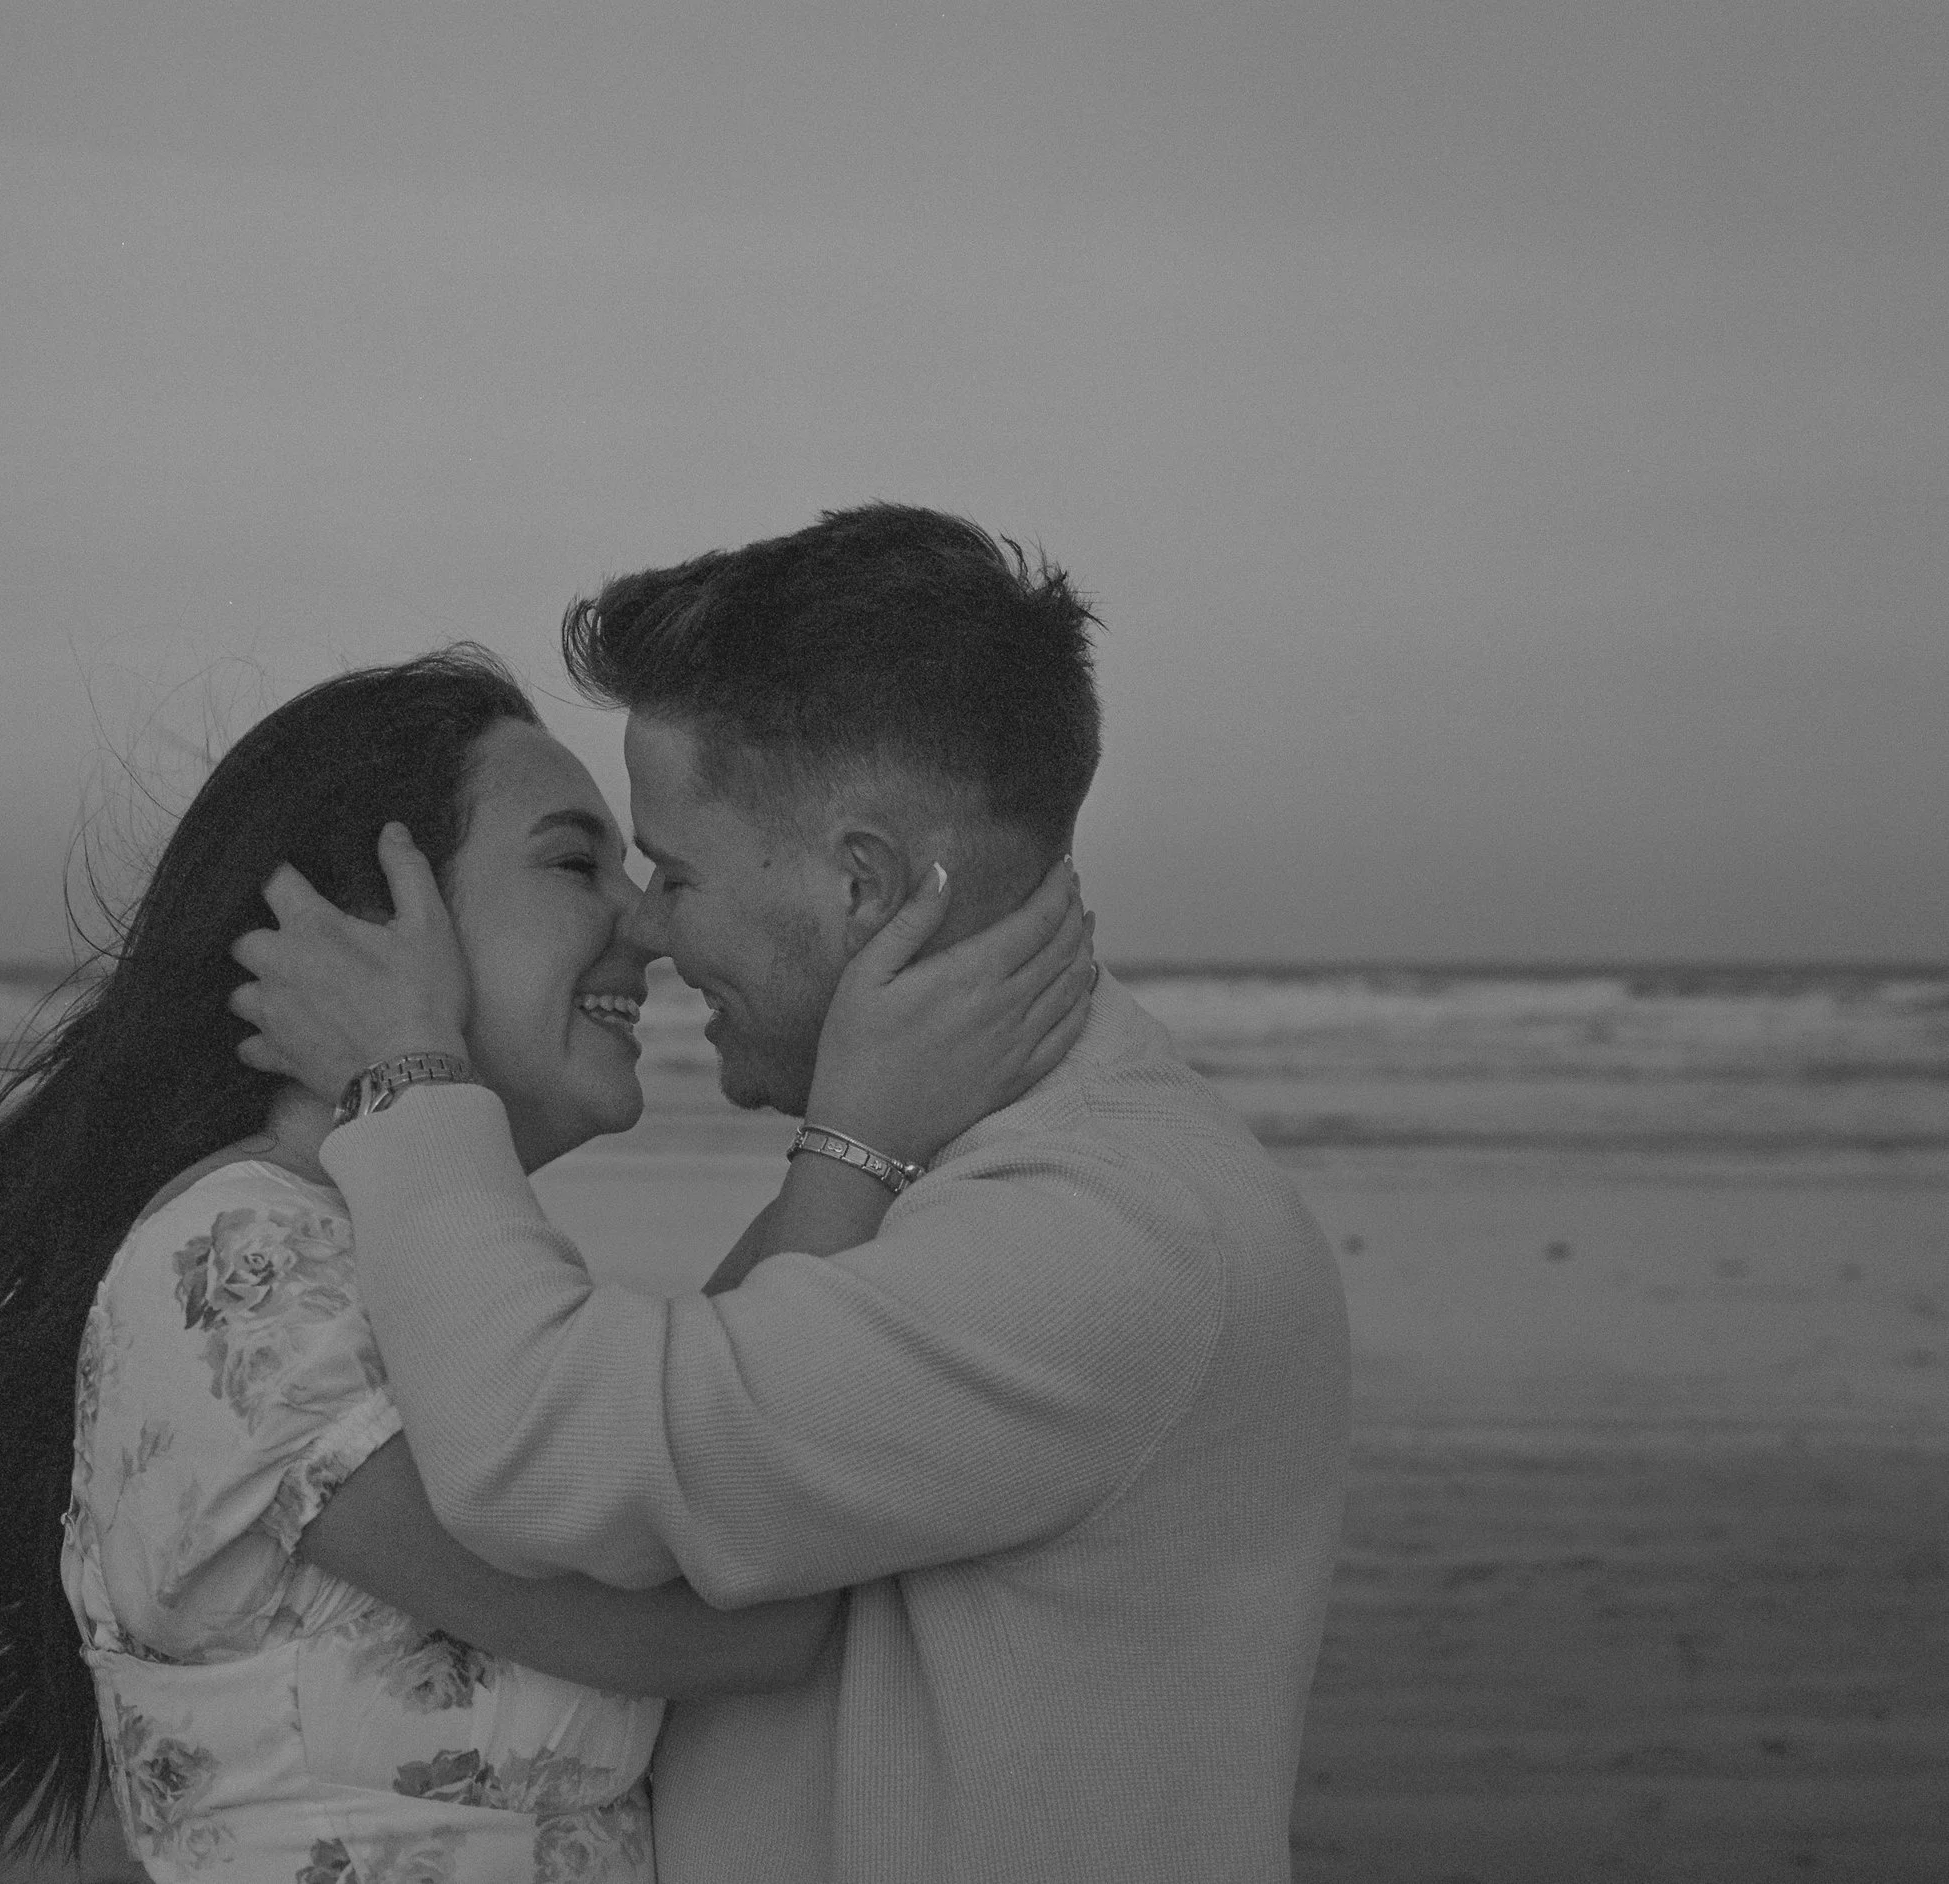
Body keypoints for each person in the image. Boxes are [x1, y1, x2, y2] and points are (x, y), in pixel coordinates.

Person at [0, 645, 1088, 1882]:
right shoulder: (234, 1264)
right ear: (371, 922)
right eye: (575, 865)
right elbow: (724, 1606)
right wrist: (858, 1142)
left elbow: (689, 1444)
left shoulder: (406, 1254)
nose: (648, 926)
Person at [229, 506, 1354, 1884]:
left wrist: (403, 1074)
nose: (644, 924)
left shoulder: (1105, 1231)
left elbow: (557, 1451)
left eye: (676, 869)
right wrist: (856, 1146)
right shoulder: (973, 1171)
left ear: (863, 885)